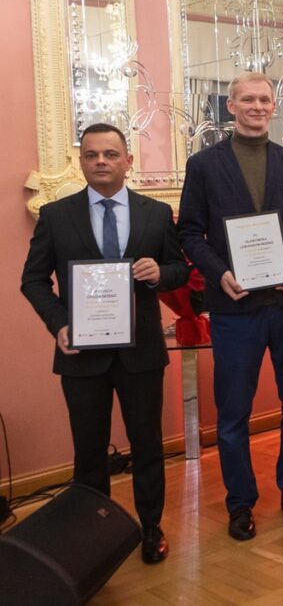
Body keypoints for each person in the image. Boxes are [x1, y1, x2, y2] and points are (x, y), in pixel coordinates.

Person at [21, 123, 190, 564]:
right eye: (92, 154)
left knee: (148, 445)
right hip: (80, 354)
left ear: (128, 161)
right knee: (89, 451)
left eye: (111, 154)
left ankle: (151, 528)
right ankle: (90, 539)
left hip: (141, 354)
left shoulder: (155, 213)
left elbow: (179, 269)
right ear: (81, 162)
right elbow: (33, 280)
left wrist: (161, 272)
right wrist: (59, 324)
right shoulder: (57, 216)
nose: (101, 162)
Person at [177, 72, 283, 541]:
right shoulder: (203, 165)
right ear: (231, 106)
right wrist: (219, 271)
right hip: (234, 305)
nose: (257, 106)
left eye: (264, 99)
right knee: (233, 413)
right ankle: (240, 503)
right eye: (248, 99)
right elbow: (189, 232)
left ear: (273, 105)